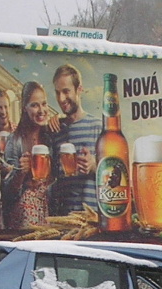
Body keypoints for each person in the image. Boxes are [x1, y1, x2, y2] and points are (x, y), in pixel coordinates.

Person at [2, 82, 55, 228]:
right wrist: (19, 173)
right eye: (34, 105)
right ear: (24, 108)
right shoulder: (15, 140)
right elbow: (6, 192)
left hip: (51, 209)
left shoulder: (51, 136)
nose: (41, 110)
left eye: (44, 104)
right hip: (25, 211)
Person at [49, 64, 100, 216]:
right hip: (63, 220)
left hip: (92, 218)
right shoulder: (55, 130)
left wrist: (94, 165)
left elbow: (115, 172)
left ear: (79, 90)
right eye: (58, 93)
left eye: (66, 91)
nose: (61, 99)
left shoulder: (97, 126)